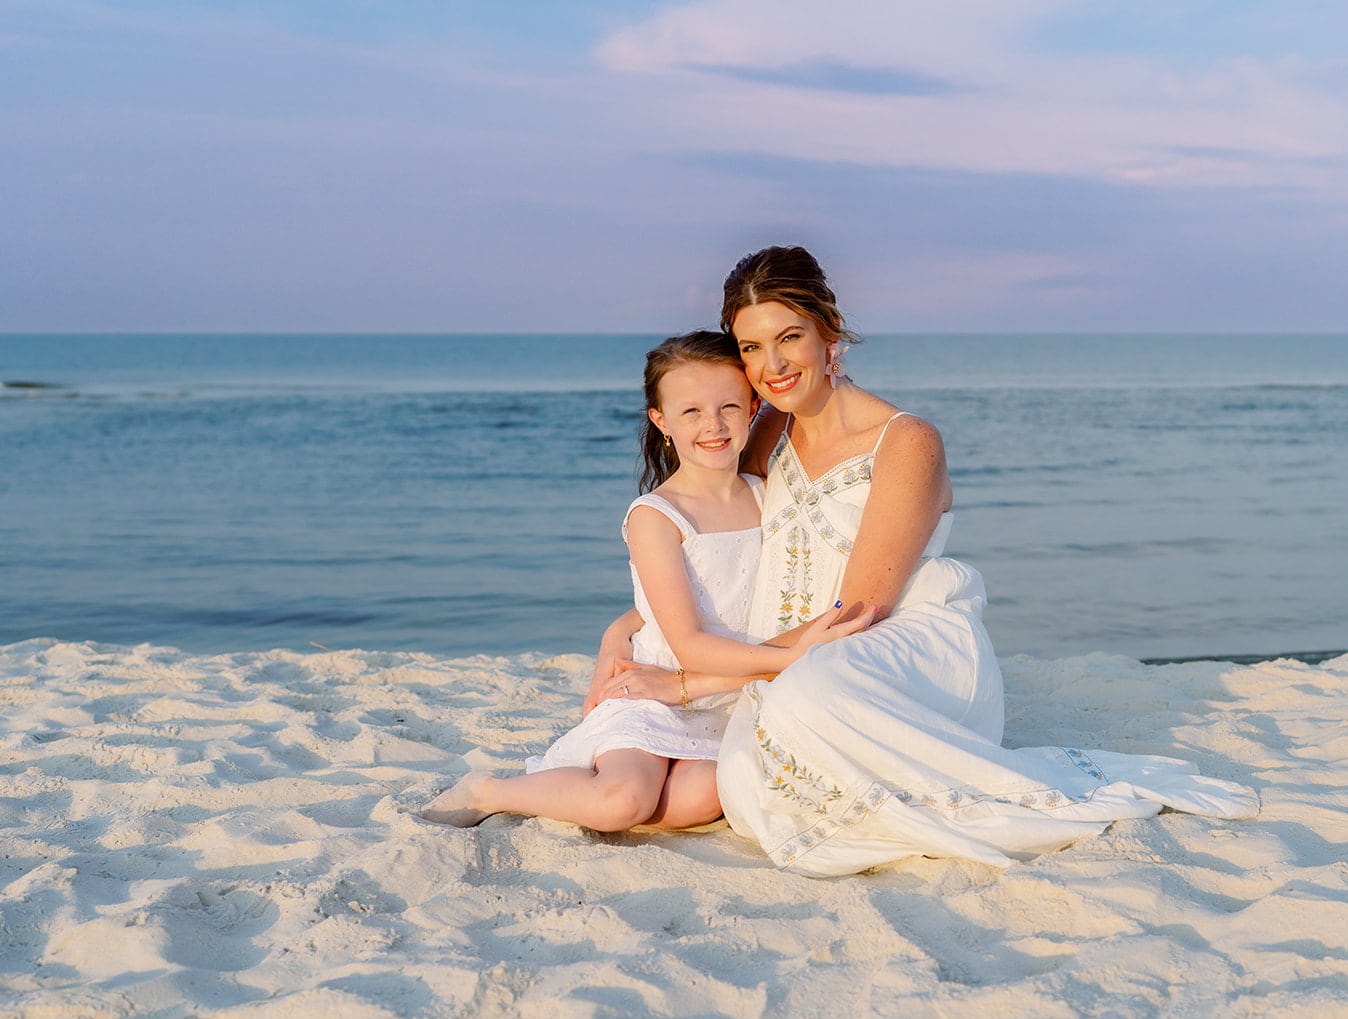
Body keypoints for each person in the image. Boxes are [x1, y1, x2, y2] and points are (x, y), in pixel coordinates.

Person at [592, 247, 1259, 876]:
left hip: (898, 646)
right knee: (743, 779)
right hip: (792, 655)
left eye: (789, 336)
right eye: (751, 346)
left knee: (805, 695)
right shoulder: (769, 431)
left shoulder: (905, 441)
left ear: (829, 333)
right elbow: (722, 554)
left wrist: (687, 682)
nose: (772, 363)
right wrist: (624, 628)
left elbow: (859, 610)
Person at [421, 330, 867, 831]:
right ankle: (492, 790)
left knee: (702, 798)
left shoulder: (768, 497)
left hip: (728, 699)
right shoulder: (658, 516)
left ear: (754, 407)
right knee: (624, 801)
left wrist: (620, 627)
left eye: (729, 407)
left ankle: (588, 795)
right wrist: (790, 658)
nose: (713, 426)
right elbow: (690, 643)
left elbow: (725, 590)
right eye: (691, 412)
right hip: (655, 691)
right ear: (661, 421)